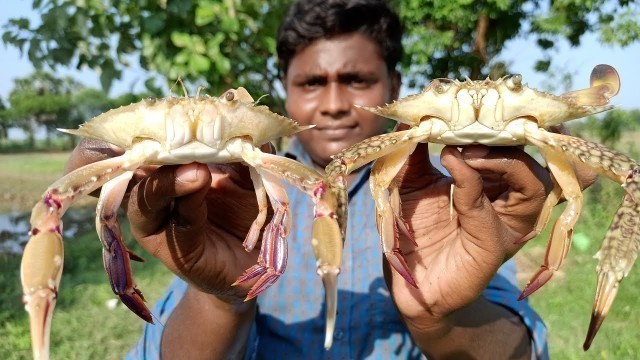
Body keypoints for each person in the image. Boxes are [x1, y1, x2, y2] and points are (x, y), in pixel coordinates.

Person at [65, 0, 593, 358]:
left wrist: (437, 319)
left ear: (395, 85)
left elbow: (524, 351)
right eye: (313, 82)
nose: (337, 104)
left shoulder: (447, 193)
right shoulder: (229, 195)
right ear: (285, 91)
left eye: (358, 80)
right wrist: (218, 297)